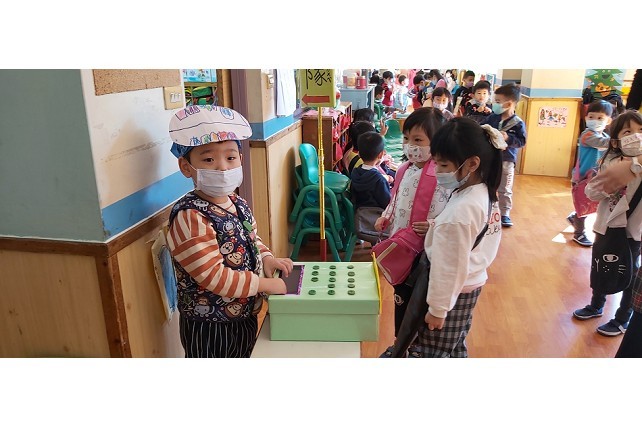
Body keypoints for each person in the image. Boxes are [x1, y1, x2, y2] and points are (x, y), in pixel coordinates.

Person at [166, 106, 292, 358]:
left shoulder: (237, 202)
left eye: (231, 157)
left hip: (243, 315)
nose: (222, 168)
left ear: (241, 159)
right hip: (209, 326)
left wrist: (267, 258)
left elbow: (251, 239)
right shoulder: (190, 217)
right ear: (186, 167)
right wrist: (265, 284)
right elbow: (213, 276)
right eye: (208, 160)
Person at [407, 118, 504, 358]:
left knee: (432, 352)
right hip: (471, 282)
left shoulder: (461, 213)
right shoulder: (483, 191)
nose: (437, 172)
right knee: (455, 343)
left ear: (472, 163)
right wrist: (438, 226)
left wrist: (438, 309)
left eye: (443, 165)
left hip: (452, 292)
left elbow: (449, 267)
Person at [373, 107, 448, 356]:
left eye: (418, 140)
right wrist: (386, 216)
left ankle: (417, 345)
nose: (410, 146)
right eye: (407, 139)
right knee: (401, 295)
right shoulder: (404, 169)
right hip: (401, 245)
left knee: (420, 300)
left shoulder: (442, 174)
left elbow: (451, 212)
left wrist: (434, 225)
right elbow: (395, 199)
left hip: (426, 252)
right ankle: (401, 342)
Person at [573, 110, 642, 337]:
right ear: (615, 141)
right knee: (601, 267)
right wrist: (611, 181)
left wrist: (635, 166)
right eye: (628, 132)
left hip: (632, 232)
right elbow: (593, 193)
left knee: (629, 273)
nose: (636, 136)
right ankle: (596, 305)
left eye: (641, 131)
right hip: (605, 227)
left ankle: (622, 318)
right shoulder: (610, 162)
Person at [566, 100, 614, 247]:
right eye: (591, 117)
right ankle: (579, 233)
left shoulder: (604, 136)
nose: (594, 120)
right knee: (584, 206)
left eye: (600, 118)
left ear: (608, 121)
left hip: (596, 178)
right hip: (582, 178)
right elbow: (603, 143)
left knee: (591, 204)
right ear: (586, 118)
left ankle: (574, 218)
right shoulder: (587, 135)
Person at [481, 83, 527, 227]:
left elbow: (522, 141)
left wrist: (508, 138)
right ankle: (487, 210)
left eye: (498, 101)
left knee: (505, 188)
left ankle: (504, 213)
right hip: (490, 158)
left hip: (507, 160)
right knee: (487, 184)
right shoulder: (492, 118)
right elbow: (482, 129)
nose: (495, 104)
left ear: (509, 103)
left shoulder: (518, 123)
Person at [350, 131, 392, 210]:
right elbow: (387, 203)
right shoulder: (380, 180)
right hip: (376, 214)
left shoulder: (355, 172)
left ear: (359, 154)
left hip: (359, 213)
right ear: (381, 155)